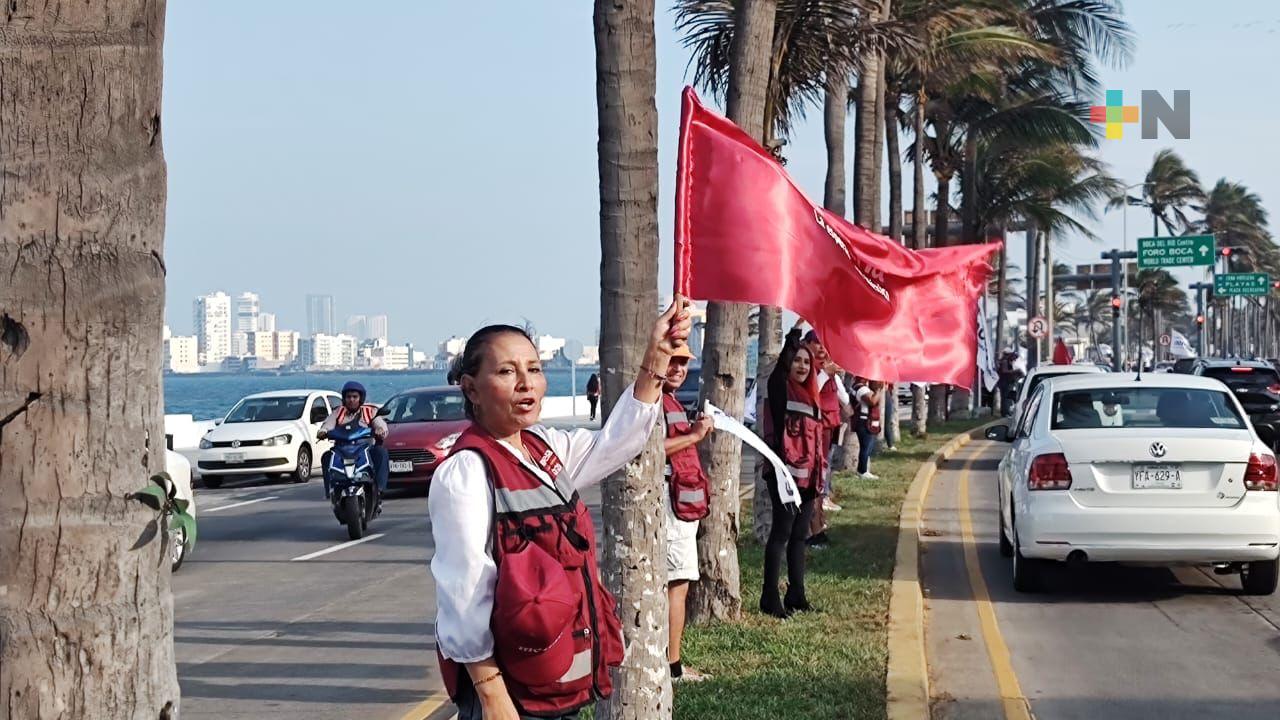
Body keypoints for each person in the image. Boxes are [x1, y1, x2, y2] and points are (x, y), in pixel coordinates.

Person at [428, 299, 692, 720]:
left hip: (553, 684)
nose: (526, 384)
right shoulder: (466, 472)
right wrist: (493, 697)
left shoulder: (545, 449)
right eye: (506, 371)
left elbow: (616, 443)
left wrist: (655, 359)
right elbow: (463, 596)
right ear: (471, 389)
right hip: (509, 694)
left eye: (533, 369)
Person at [760, 326, 825, 619]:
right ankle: (769, 597)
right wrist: (794, 335)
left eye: (806, 362)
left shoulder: (812, 397)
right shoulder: (780, 390)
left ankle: (796, 594)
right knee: (782, 533)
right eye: (797, 360)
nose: (801, 366)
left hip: (809, 476)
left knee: (800, 535)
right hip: (785, 475)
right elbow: (779, 371)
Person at [660, 345, 713, 683]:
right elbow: (649, 448)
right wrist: (695, 435)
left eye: (683, 363)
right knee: (676, 585)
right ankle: (673, 667)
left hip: (679, 505)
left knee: (676, 584)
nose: (679, 368)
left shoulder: (670, 400)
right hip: (670, 507)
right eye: (673, 361)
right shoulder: (656, 402)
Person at [801, 328, 851, 547]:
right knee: (814, 480)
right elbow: (810, 395)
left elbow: (843, 396)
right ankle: (813, 530)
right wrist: (825, 374)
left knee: (822, 477)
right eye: (817, 344)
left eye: (824, 345)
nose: (822, 349)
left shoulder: (827, 370)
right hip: (813, 432)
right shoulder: (806, 368)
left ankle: (819, 524)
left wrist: (833, 375)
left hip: (828, 431)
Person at [318, 381, 389, 508]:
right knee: (326, 456)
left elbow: (380, 424)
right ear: (344, 399)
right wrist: (323, 431)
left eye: (355, 397)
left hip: (364, 448)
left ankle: (379, 490)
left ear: (360, 398)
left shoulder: (369, 411)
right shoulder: (338, 412)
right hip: (342, 449)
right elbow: (328, 424)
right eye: (348, 397)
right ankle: (331, 491)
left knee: (381, 453)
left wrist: (380, 430)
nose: (351, 400)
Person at [853, 378, 883, 479]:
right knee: (865, 447)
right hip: (864, 422)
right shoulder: (861, 388)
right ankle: (862, 471)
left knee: (868, 447)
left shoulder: (865, 388)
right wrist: (878, 390)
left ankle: (863, 469)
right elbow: (872, 401)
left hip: (868, 421)